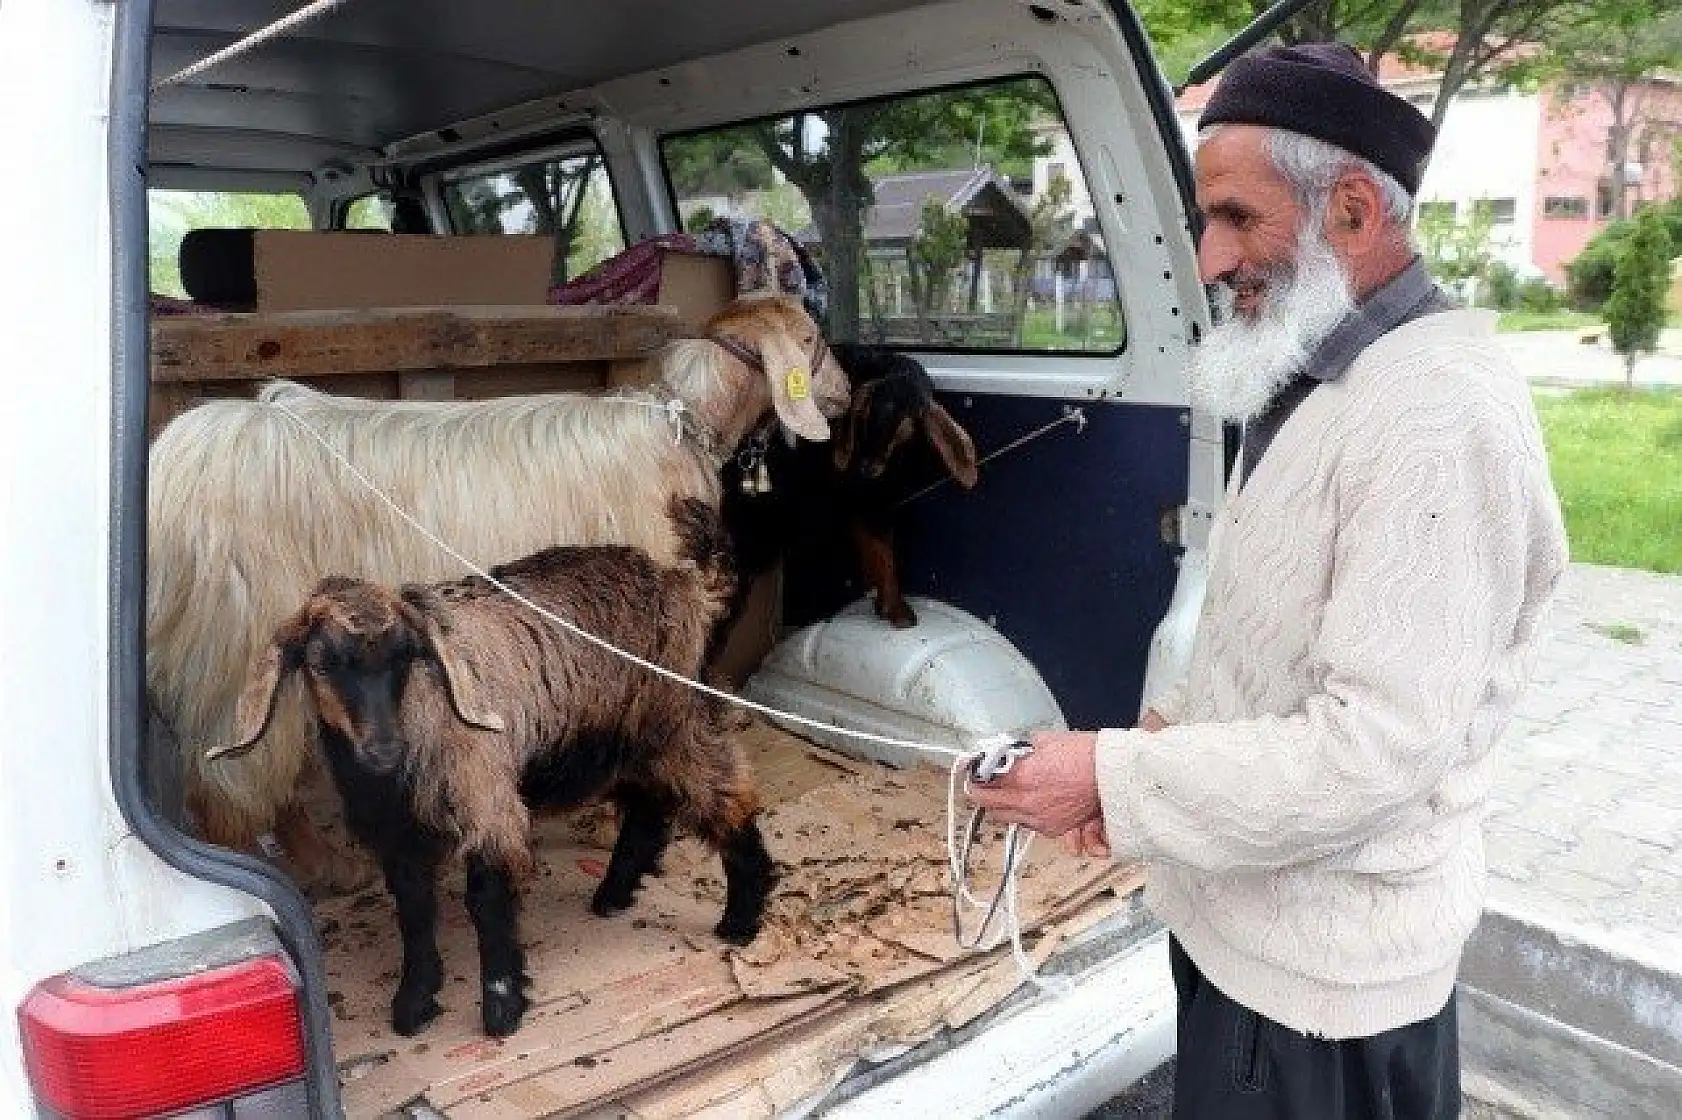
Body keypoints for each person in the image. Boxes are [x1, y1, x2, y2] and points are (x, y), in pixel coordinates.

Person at [967, 42, 1568, 1119]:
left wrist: (1113, 778)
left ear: (1351, 209)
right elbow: (1278, 635)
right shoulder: (1324, 368)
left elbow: (1368, 750)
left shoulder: (1435, 416)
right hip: (1247, 943)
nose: (1208, 259)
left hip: (1315, 996)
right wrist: (1157, 751)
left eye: (1236, 219)